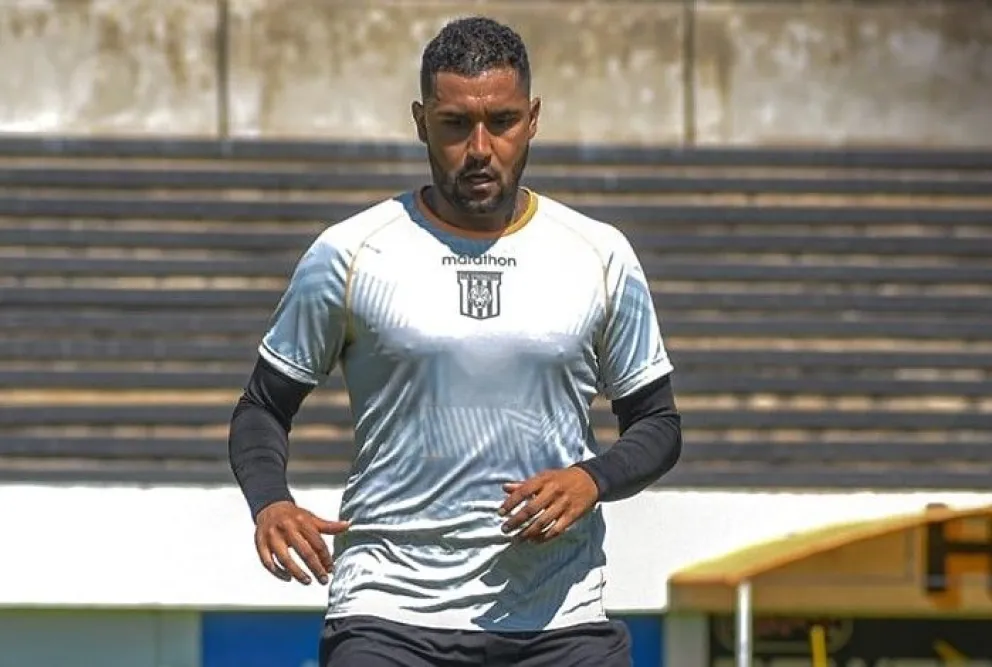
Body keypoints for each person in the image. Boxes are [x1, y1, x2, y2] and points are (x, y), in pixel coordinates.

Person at [228, 15, 682, 667]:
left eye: (501, 121)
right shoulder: (351, 252)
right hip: (388, 613)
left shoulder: (599, 254)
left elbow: (658, 423)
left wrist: (591, 478)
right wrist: (271, 500)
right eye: (453, 123)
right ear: (420, 121)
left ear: (533, 119)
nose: (478, 146)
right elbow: (262, 407)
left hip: (557, 615)